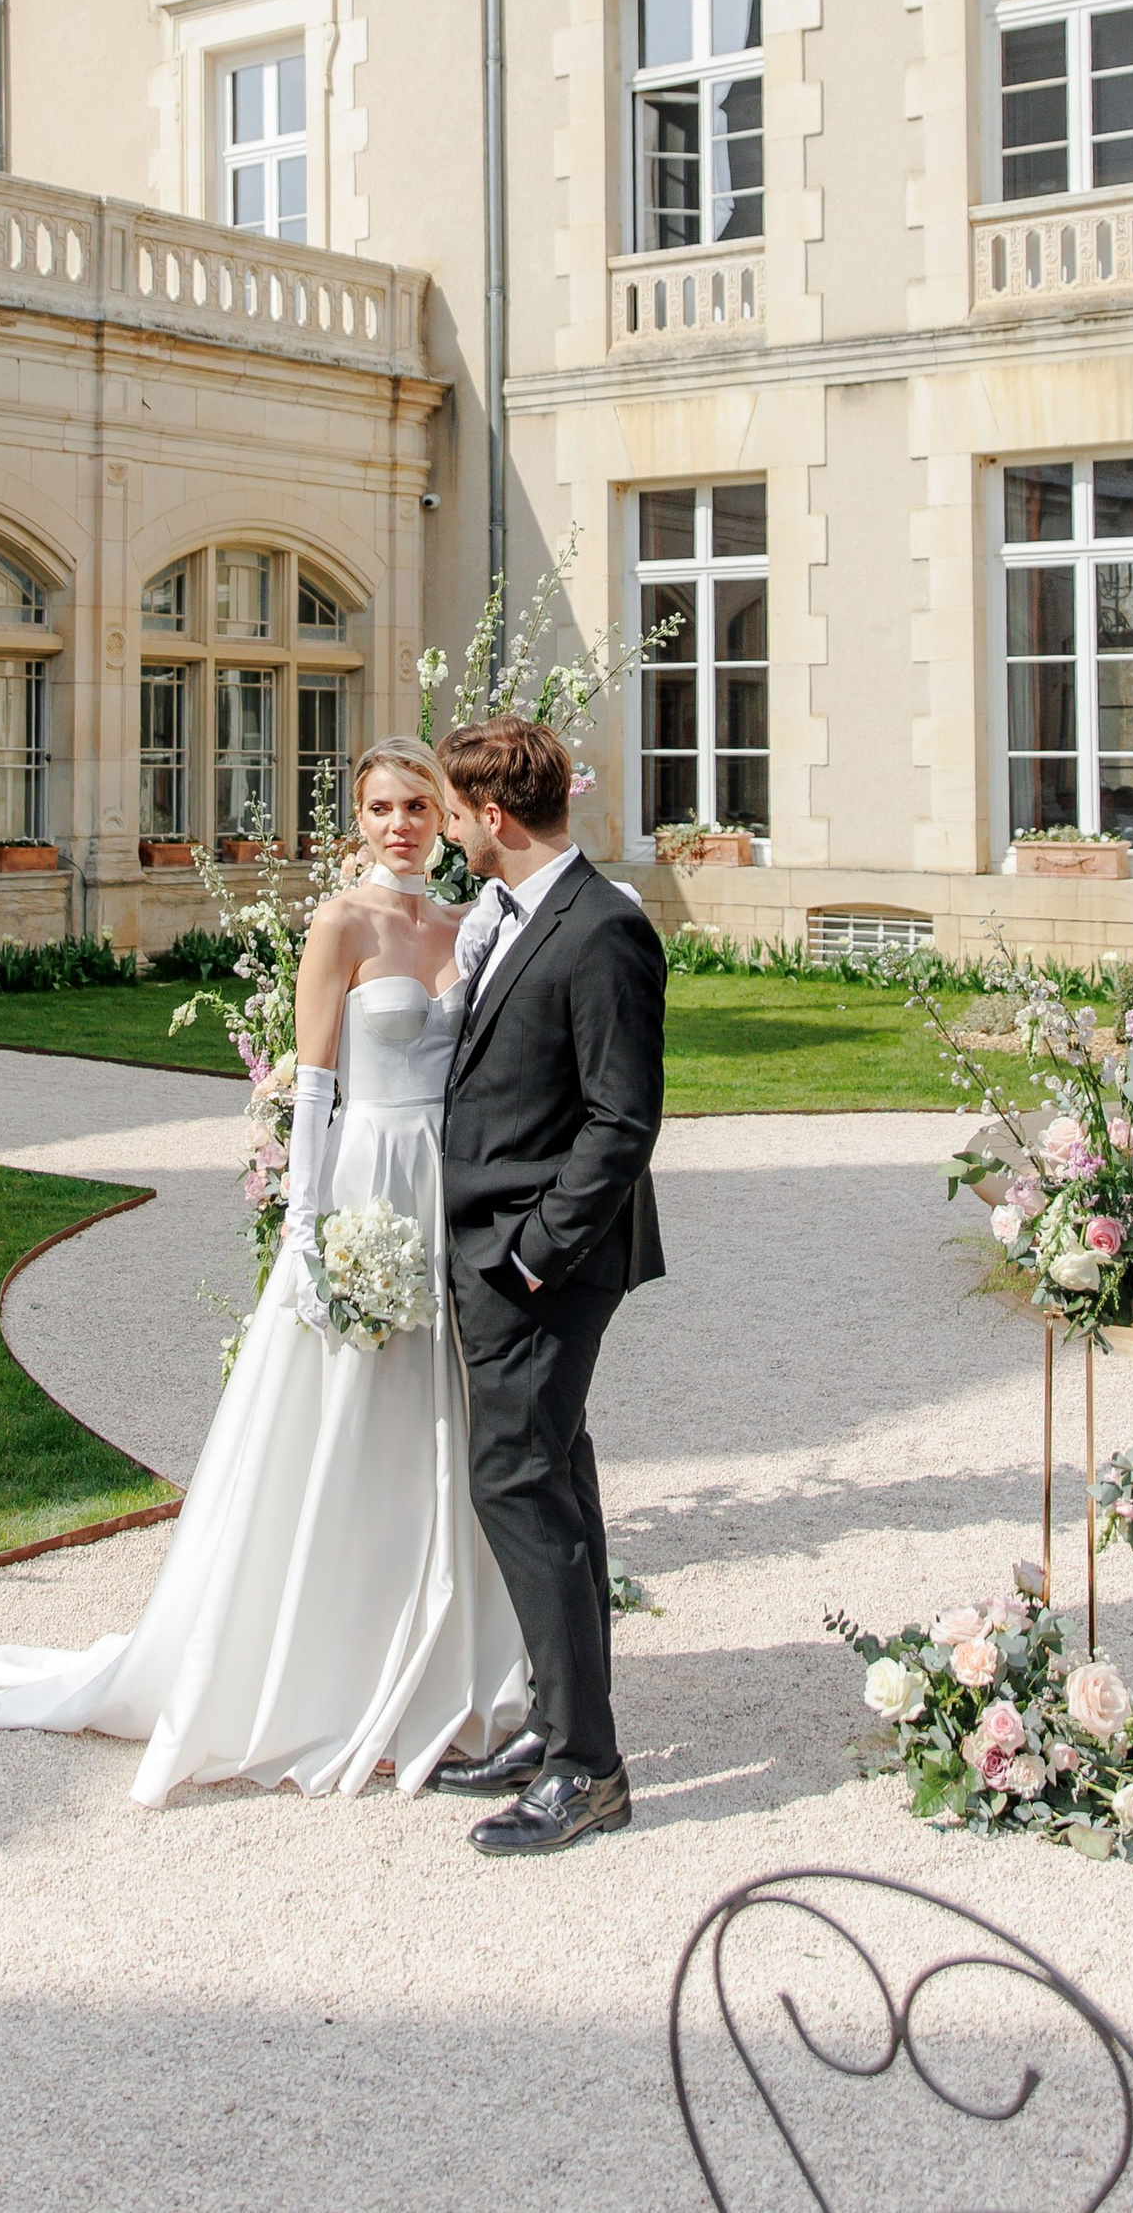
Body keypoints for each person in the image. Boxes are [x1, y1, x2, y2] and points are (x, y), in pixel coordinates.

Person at [0, 735, 529, 1802]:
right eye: (379, 809)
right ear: (357, 825)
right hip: (365, 1188)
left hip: (446, 1188)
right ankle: (325, 1674)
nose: (400, 826)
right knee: (344, 1427)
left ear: (448, 815)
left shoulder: (471, 927)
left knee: (446, 1426)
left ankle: (442, 1665)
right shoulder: (340, 924)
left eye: (417, 806)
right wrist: (312, 1234)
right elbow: (316, 1090)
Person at [429, 710, 665, 1858]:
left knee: (515, 1485)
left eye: (454, 812)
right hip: (498, 1247)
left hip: (544, 1263)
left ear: (492, 815)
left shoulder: (603, 930)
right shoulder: (512, 915)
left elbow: (624, 1120)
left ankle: (587, 1770)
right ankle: (560, 1723)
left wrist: (531, 1251)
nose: (447, 830)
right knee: (551, 1487)